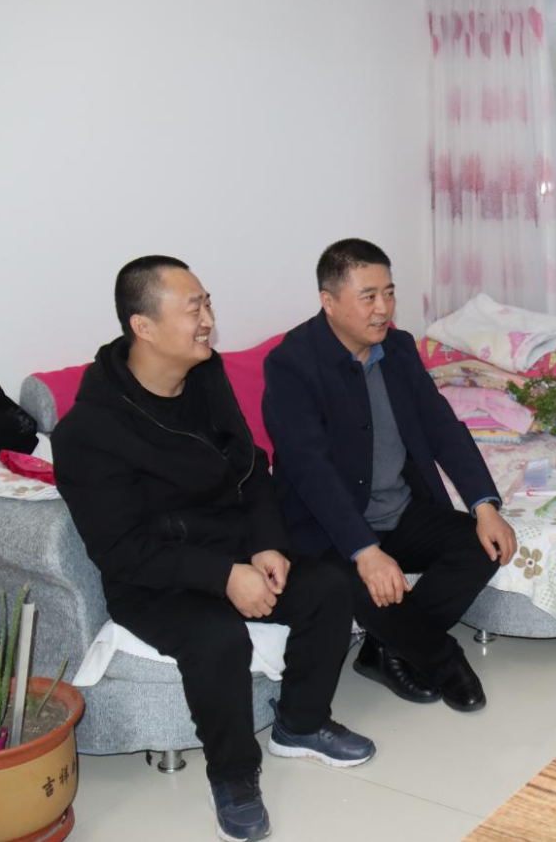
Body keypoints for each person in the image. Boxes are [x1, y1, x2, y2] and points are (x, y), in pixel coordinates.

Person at [54, 256, 374, 842]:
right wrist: (223, 575)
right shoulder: (88, 431)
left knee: (328, 585)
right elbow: (121, 550)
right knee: (217, 636)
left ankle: (301, 724)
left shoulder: (205, 376)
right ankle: (232, 775)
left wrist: (268, 544)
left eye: (207, 303)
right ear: (144, 327)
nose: (208, 319)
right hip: (155, 578)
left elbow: (250, 467)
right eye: (192, 308)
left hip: (233, 549)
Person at [262, 239, 517, 713]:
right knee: (356, 587)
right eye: (368, 296)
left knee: (482, 545)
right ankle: (443, 660)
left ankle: (385, 648)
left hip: (400, 510)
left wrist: (484, 505)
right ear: (328, 301)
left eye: (389, 293)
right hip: (329, 531)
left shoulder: (397, 348)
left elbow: (441, 426)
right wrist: (365, 550)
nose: (383, 308)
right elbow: (309, 469)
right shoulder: (291, 365)